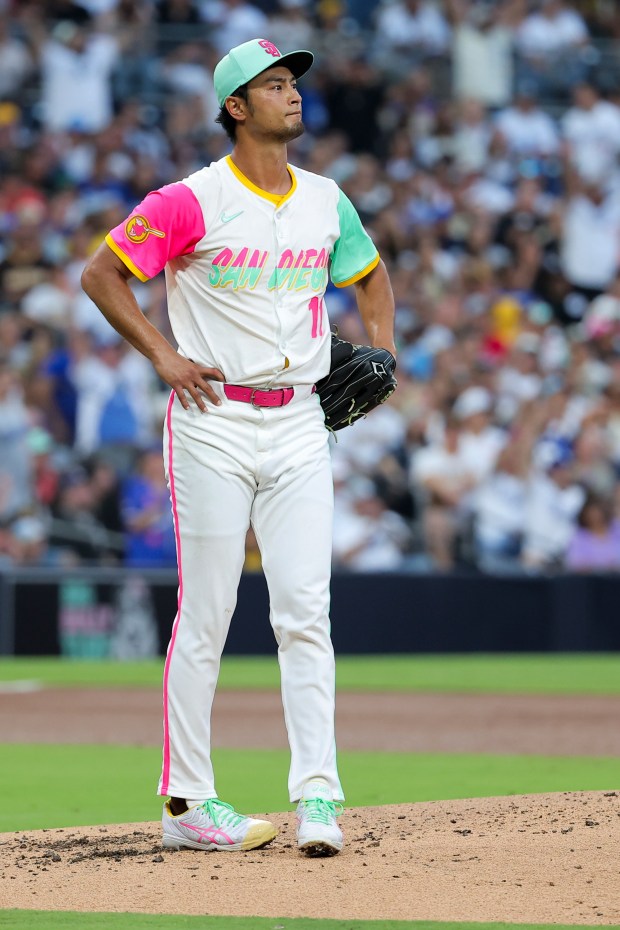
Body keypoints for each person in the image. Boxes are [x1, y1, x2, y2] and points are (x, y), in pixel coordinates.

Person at [81, 37, 396, 857]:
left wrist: (383, 345)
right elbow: (102, 273)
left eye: (293, 83)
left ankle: (318, 798)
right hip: (213, 419)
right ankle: (187, 806)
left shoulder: (327, 198)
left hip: (300, 421)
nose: (292, 95)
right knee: (207, 615)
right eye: (274, 85)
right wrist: (161, 354)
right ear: (235, 107)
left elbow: (368, 274)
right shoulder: (190, 200)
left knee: (305, 612)